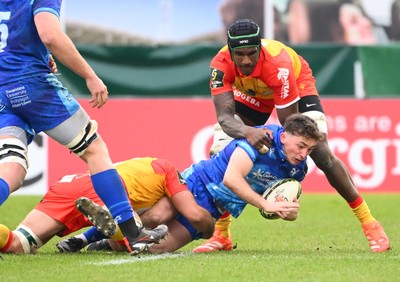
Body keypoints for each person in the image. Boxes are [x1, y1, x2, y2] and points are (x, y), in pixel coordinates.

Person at [193, 18, 390, 253]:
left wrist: (282, 164)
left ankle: (370, 223)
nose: (246, 60)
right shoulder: (220, 64)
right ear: (230, 50)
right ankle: (222, 235)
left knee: (321, 153)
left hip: (297, 83)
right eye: (240, 55)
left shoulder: (279, 65)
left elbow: (291, 126)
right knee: (220, 154)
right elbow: (226, 120)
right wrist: (249, 134)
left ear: (260, 48)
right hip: (253, 92)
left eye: (251, 53)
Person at [0, 1, 167, 255]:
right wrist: (90, 75)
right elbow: (50, 35)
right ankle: (134, 234)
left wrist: (39, 56)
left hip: (2, 92)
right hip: (31, 86)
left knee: (11, 169)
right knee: (94, 149)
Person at [62, 113, 318, 254]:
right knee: (154, 217)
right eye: (301, 146)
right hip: (196, 182)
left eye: (310, 149)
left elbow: (279, 204)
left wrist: (286, 212)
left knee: (157, 250)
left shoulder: (297, 169)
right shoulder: (261, 141)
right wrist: (265, 203)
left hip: (213, 209)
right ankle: (83, 239)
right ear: (284, 137)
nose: (304, 153)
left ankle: (107, 241)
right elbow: (231, 179)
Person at [0, 157, 215, 254]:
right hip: (106, 191)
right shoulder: (170, 171)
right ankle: (117, 230)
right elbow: (185, 215)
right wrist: (209, 229)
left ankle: (104, 232)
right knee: (138, 234)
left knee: (17, 244)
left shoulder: (142, 165)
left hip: (69, 184)